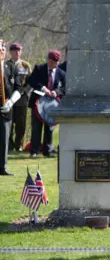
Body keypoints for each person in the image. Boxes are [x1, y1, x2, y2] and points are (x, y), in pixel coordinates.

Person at [27, 50, 66, 158]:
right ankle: (34, 151)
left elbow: (64, 88)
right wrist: (43, 88)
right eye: (54, 61)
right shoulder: (39, 69)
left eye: (57, 62)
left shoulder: (61, 73)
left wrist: (56, 92)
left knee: (49, 127)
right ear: (49, 60)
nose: (56, 64)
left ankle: (47, 150)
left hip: (51, 105)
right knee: (36, 128)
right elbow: (31, 80)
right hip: (37, 104)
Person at [0, 40, 23, 175]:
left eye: (3, 48)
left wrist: (11, 102)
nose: (1, 51)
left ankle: (2, 167)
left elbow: (19, 88)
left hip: (6, 108)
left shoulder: (11, 67)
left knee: (4, 139)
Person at [4, 43, 31, 152]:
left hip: (21, 99)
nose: (17, 52)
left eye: (19, 50)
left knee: (21, 124)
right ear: (10, 52)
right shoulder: (5, 65)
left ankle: (19, 145)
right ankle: (9, 145)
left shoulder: (25, 65)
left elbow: (30, 82)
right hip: (8, 99)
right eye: (15, 50)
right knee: (9, 123)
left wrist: (24, 91)